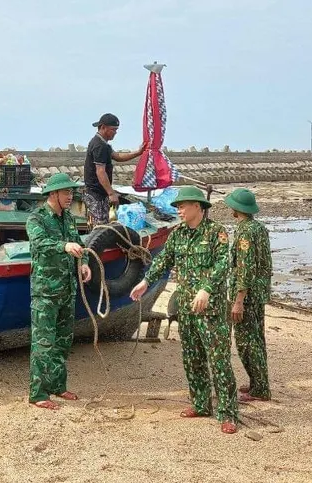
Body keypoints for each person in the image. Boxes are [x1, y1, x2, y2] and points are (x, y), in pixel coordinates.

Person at [129, 186, 238, 434]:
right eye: (177, 206)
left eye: (183, 205)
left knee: (219, 361)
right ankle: (200, 404)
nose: (178, 209)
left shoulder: (216, 233)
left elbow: (224, 264)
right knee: (192, 358)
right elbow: (164, 259)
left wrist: (207, 289)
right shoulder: (178, 234)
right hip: (187, 308)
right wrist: (146, 282)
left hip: (210, 309)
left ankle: (228, 413)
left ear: (198, 207)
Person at [25, 172, 92, 410]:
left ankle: (57, 386)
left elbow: (79, 244)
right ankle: (38, 394)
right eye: (66, 192)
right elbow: (39, 243)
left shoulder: (69, 219)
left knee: (63, 341)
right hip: (46, 292)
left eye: (71, 192)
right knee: (43, 343)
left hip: (67, 289)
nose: (70, 196)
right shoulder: (37, 218)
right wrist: (63, 246)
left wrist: (83, 263)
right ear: (53, 194)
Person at [223, 187, 273, 403]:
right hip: (259, 291)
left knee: (246, 342)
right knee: (257, 338)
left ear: (236, 209)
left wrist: (238, 300)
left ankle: (260, 389)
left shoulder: (245, 232)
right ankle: (258, 383)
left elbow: (245, 267)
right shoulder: (258, 228)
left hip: (248, 293)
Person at [83, 113, 146, 225]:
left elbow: (117, 156)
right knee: (100, 227)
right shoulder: (99, 145)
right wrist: (111, 193)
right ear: (103, 127)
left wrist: (138, 152)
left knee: (105, 223)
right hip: (95, 193)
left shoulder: (104, 144)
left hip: (100, 193)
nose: (115, 133)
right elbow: (100, 171)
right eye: (113, 130)